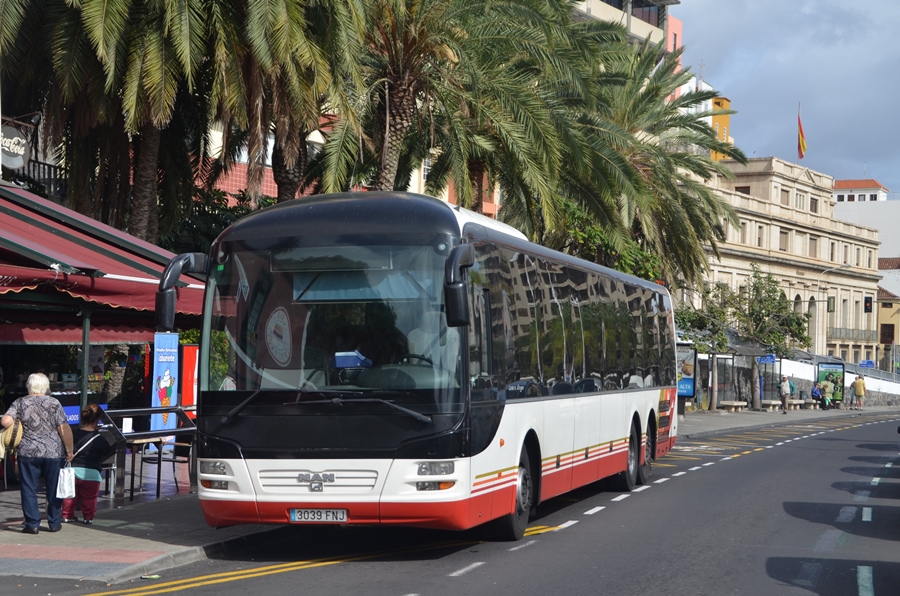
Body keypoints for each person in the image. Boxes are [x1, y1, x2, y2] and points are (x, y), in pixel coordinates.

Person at [0, 373, 74, 534]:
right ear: (46, 386)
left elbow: (5, 421)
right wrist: (69, 450)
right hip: (53, 452)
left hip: (28, 451)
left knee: (28, 487)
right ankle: (54, 523)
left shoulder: (20, 402)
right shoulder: (54, 402)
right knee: (54, 488)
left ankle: (32, 524)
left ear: (29, 385)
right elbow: (63, 428)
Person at [61, 405, 113, 525]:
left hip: (72, 471)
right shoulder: (100, 439)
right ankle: (88, 518)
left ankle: (67, 516)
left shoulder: (73, 434)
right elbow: (106, 451)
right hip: (91, 473)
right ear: (97, 419)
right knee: (90, 498)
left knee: (70, 496)